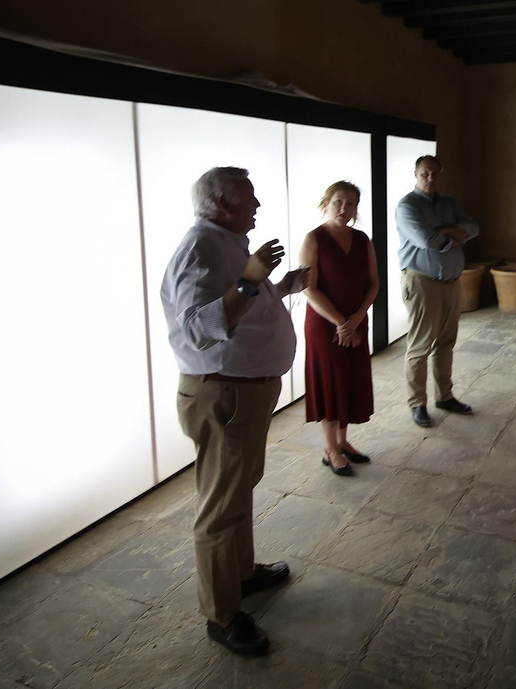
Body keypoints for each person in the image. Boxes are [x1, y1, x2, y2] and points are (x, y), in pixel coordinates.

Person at [160, 166, 310, 657]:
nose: (258, 205)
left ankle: (241, 575)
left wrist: (278, 286)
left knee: (239, 488)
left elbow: (240, 306)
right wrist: (249, 281)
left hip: (243, 393)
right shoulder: (200, 248)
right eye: (250, 197)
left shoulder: (225, 243)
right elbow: (197, 328)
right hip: (223, 395)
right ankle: (222, 615)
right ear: (224, 204)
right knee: (220, 508)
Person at [299, 181, 378, 477]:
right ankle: (330, 448)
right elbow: (308, 288)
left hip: (356, 320)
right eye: (338, 202)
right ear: (326, 203)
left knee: (350, 378)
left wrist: (357, 318)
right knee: (330, 381)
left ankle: (343, 441)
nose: (344, 208)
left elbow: (373, 283)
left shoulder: (362, 239)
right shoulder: (314, 238)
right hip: (324, 324)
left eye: (351, 203)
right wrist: (342, 323)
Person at [394, 154, 478, 427]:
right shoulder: (407, 206)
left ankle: (445, 396)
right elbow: (427, 240)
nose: (430, 178)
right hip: (422, 283)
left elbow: (474, 228)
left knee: (446, 343)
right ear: (416, 174)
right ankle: (417, 403)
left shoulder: (449, 203)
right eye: (424, 173)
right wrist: (455, 235)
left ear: (440, 175)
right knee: (420, 346)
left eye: (435, 173)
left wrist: (446, 229)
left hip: (451, 283)